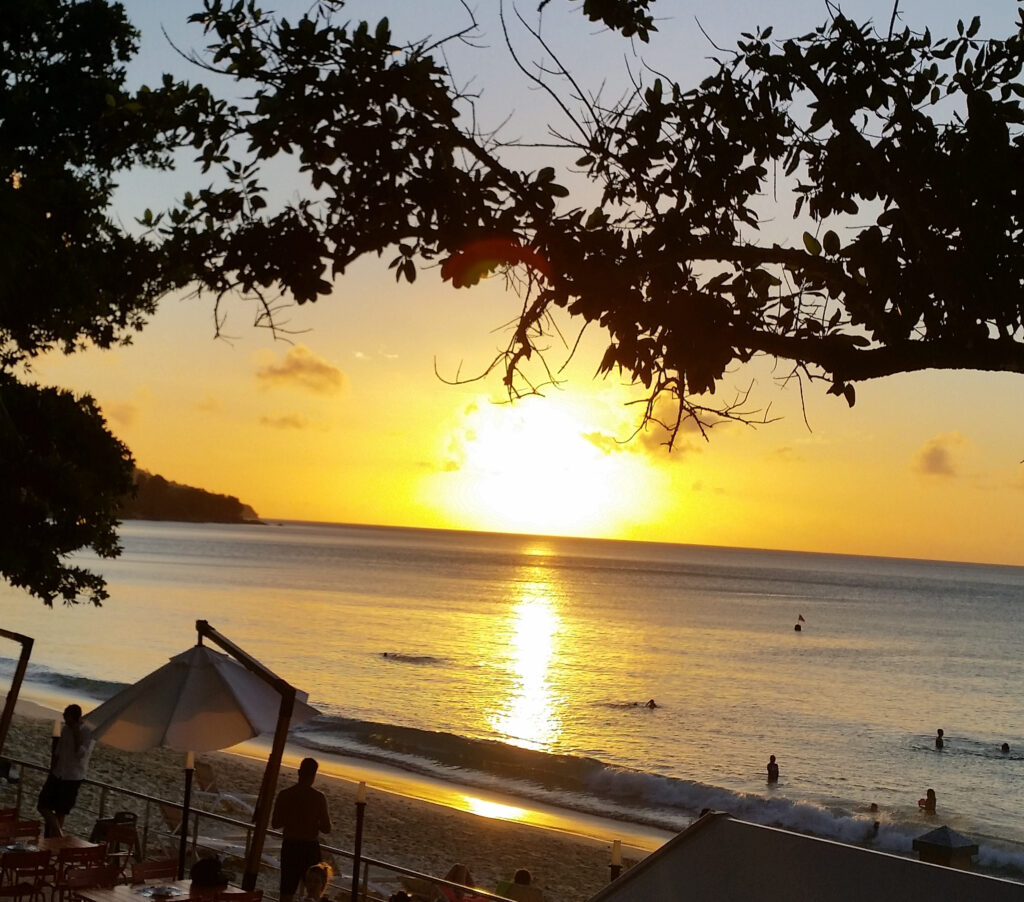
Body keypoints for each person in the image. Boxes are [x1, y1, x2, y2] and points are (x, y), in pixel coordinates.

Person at [272, 758, 333, 902]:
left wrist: (292, 819)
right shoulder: (318, 798)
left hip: (290, 846)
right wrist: (312, 822)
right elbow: (326, 828)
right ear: (314, 775)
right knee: (314, 892)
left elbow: (275, 824)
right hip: (309, 847)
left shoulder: (285, 795)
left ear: (299, 772)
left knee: (287, 892)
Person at [36, 704, 95, 837]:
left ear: (74, 718)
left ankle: (54, 839)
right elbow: (59, 750)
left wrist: (76, 734)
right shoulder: (66, 729)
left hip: (72, 777)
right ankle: (58, 833)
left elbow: (80, 754)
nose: (64, 719)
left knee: (61, 810)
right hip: (57, 773)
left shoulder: (87, 733)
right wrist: (52, 768)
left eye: (66, 716)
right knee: (43, 805)